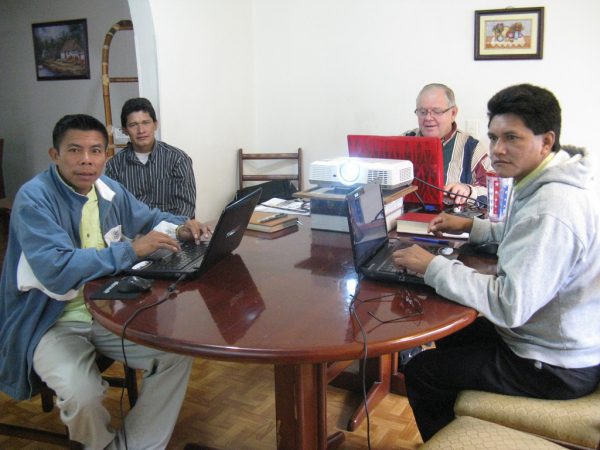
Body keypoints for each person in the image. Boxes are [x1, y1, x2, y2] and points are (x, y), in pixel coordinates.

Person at [393, 84, 600, 441]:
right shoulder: (549, 181)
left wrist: (432, 266)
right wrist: (474, 226)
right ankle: (461, 416)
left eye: (512, 138)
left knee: (423, 371)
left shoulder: (553, 209)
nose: (498, 150)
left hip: (553, 365)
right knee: (453, 332)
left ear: (546, 141)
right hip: (551, 341)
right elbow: (523, 233)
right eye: (493, 137)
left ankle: (452, 443)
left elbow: (510, 305)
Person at [0, 114, 211, 449]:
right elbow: (56, 268)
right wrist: (131, 250)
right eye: (75, 150)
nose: (86, 159)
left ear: (106, 155)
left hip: (104, 312)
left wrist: (181, 226)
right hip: (50, 321)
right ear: (55, 155)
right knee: (82, 394)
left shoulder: (107, 188)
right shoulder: (34, 199)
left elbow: (149, 217)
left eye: (96, 151)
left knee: (173, 355)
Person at [105, 97, 197, 217]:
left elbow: (186, 209)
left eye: (146, 123)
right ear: (125, 130)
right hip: (133, 234)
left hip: (172, 231)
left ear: (155, 124)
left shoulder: (178, 160)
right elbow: (114, 209)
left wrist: (165, 231)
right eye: (133, 125)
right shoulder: (115, 166)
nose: (141, 130)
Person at [404, 83, 494, 205]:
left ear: (453, 113)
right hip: (406, 219)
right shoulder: (404, 142)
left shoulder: (471, 147)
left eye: (436, 111)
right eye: (422, 111)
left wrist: (468, 190)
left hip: (451, 221)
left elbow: (494, 191)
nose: (428, 118)